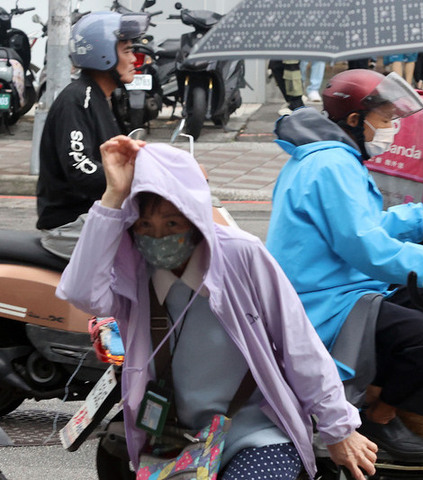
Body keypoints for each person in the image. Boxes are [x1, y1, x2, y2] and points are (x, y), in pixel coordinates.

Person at [56, 137, 378, 480]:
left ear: (194, 220)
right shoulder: (135, 271)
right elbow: (80, 292)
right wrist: (113, 197)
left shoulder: (242, 255)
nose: (158, 237)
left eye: (172, 224)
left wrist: (338, 427)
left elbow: (299, 345)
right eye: (145, 227)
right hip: (175, 442)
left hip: (255, 436)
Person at [265, 69, 423, 459]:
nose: (392, 127)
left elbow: (360, 226)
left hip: (339, 285)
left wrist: (418, 220)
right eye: (385, 118)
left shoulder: (330, 157)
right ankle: (379, 416)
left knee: (419, 305)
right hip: (323, 300)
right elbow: (366, 248)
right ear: (354, 121)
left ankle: (366, 399)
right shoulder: (332, 165)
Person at [35, 11, 147, 259]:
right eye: (127, 51)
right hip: (70, 225)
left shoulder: (104, 98)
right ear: (104, 53)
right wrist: (134, 178)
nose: (134, 59)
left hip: (96, 215)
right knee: (150, 247)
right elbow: (80, 168)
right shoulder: (77, 99)